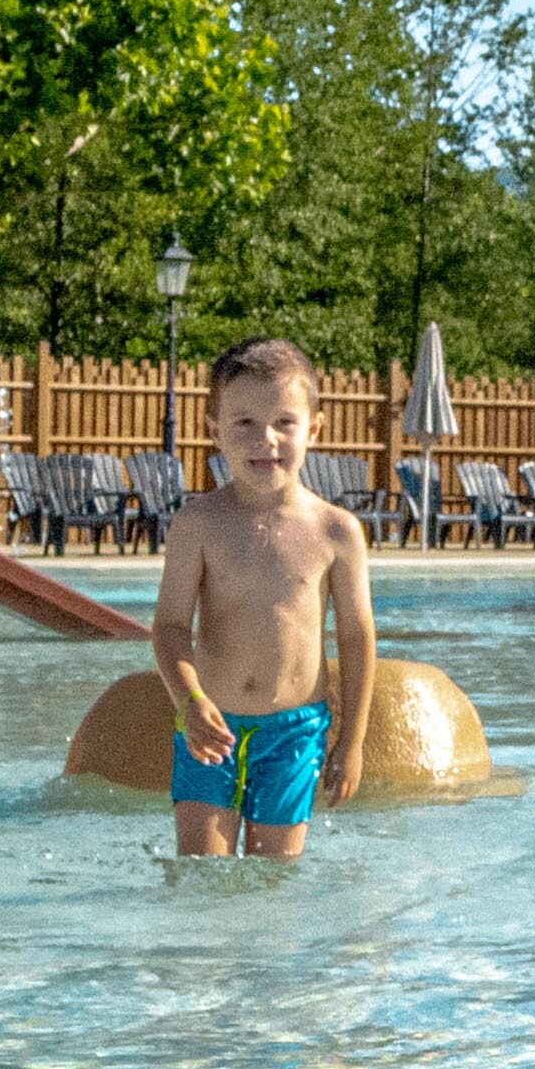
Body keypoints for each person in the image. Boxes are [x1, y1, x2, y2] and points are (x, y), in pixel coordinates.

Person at [152, 337, 375, 859]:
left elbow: (357, 638)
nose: (265, 439)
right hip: (210, 725)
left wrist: (352, 742)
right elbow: (169, 627)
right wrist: (189, 702)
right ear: (215, 432)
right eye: (245, 423)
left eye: (283, 422)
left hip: (296, 730)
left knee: (275, 877)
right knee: (202, 874)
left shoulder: (336, 532)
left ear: (313, 429)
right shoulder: (198, 524)